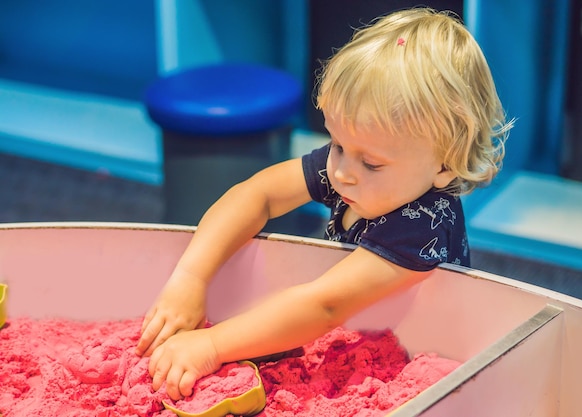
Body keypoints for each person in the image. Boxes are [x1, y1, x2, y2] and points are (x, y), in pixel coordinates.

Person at [135, 7, 513, 400]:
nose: (343, 172)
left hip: (422, 369)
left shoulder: (425, 225)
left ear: (446, 165)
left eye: (370, 162)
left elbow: (324, 306)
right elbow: (257, 193)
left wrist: (211, 347)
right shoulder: (356, 169)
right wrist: (191, 278)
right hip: (359, 333)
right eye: (337, 144)